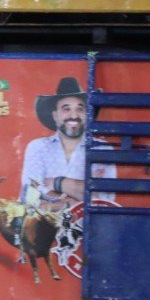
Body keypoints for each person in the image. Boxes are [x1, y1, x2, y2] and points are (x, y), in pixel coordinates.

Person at [20, 76, 117, 209]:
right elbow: (31, 196)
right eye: (66, 109)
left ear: (87, 114)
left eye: (80, 108)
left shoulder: (103, 150)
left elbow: (103, 201)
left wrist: (58, 183)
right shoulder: (38, 148)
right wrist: (70, 203)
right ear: (55, 116)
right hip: (46, 228)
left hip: (89, 229)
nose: (74, 115)